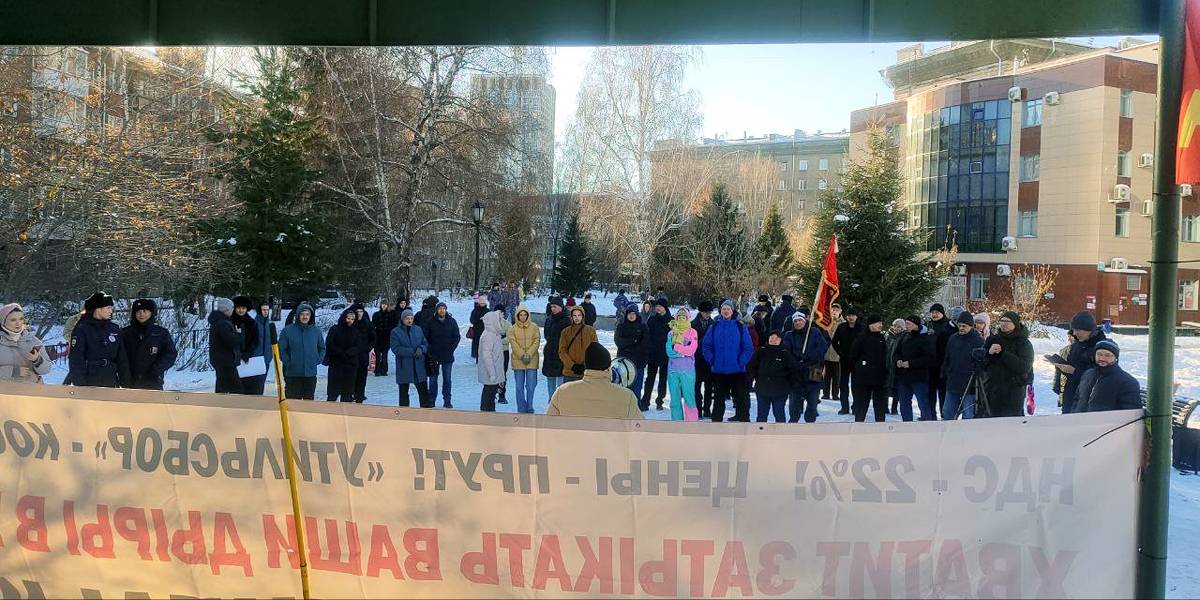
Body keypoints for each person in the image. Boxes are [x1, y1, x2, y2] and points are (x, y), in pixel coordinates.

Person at [547, 343, 644, 420]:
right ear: (608, 369)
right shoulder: (627, 396)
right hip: (612, 445)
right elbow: (640, 430)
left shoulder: (562, 391)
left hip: (571, 444)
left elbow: (548, 426)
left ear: (586, 366)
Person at [701, 300, 755, 422]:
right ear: (720, 310)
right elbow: (706, 346)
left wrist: (741, 362)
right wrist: (712, 360)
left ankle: (744, 423)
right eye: (723, 309)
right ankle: (716, 423)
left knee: (741, 399)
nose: (726, 311)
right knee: (719, 400)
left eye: (728, 309)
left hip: (737, 370)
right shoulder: (714, 326)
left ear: (732, 311)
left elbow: (748, 348)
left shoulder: (740, 327)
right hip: (719, 370)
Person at [977, 311, 1034, 418]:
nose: (1003, 324)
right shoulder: (993, 339)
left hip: (1013, 393)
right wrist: (988, 354)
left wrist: (1003, 354)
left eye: (1007, 321)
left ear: (1015, 324)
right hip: (992, 391)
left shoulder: (1024, 343)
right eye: (1002, 321)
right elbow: (982, 364)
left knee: (1010, 427)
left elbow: (1025, 367)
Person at [1056, 311, 1108, 414]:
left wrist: (1074, 371)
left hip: (1088, 401)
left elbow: (1100, 376)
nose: (1074, 333)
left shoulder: (1101, 348)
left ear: (1088, 330)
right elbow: (1072, 367)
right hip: (1070, 396)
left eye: (1078, 330)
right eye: (1073, 330)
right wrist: (1062, 367)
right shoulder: (1077, 344)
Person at [782, 311, 829, 423]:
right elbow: (786, 351)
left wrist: (808, 357)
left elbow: (822, 347)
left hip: (814, 369)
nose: (798, 323)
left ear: (805, 321)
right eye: (796, 321)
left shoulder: (815, 332)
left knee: (813, 402)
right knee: (794, 402)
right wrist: (796, 362)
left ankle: (810, 422)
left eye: (800, 320)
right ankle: (794, 421)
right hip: (796, 371)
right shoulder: (789, 335)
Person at [120, 299, 177, 390]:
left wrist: (157, 369)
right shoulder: (125, 333)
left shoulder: (161, 333)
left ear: (151, 313)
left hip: (153, 381)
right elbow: (120, 356)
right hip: (131, 382)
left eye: (145, 311)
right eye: (138, 311)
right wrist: (124, 376)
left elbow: (170, 354)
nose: (141, 314)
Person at [1074, 340, 1141, 412]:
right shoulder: (1088, 374)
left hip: (1106, 423)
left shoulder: (1127, 382)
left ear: (1116, 358)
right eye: (1099, 354)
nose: (1102, 358)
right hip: (1080, 421)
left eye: (1107, 355)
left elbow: (1129, 413)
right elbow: (1077, 399)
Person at [941, 310, 984, 419]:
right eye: (959, 325)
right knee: (947, 412)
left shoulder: (978, 340)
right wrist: (945, 372)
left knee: (968, 414)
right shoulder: (953, 338)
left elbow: (982, 362)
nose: (961, 328)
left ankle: (966, 435)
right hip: (953, 381)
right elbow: (947, 357)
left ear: (971, 326)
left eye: (964, 326)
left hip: (970, 384)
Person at [748, 330, 797, 423]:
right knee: (762, 415)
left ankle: (780, 434)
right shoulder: (761, 351)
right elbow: (752, 366)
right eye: (772, 338)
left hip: (780, 390)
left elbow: (793, 370)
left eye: (776, 338)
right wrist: (756, 378)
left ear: (780, 340)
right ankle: (760, 434)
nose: (774, 340)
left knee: (779, 414)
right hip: (762, 388)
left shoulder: (785, 353)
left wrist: (788, 384)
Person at [848, 315, 889, 422]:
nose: (881, 325)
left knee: (880, 406)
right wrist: (860, 368)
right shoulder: (861, 337)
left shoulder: (881, 338)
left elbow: (885, 356)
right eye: (878, 323)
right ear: (871, 325)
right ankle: (858, 425)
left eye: (881, 323)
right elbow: (853, 355)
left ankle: (880, 426)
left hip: (879, 378)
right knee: (862, 405)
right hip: (863, 378)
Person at [894, 315, 936, 421]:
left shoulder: (925, 338)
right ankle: (907, 424)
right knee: (904, 403)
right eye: (906, 323)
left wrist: (911, 363)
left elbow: (929, 358)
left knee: (923, 403)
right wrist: (898, 360)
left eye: (908, 324)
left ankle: (927, 423)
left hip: (919, 377)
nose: (906, 326)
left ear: (916, 325)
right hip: (904, 377)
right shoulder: (904, 336)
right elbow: (897, 351)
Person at [278, 303, 324, 400]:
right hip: (293, 374)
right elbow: (281, 349)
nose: (305, 317)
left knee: (308, 404)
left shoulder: (316, 331)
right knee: (293, 403)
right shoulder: (287, 331)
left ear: (310, 316)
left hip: (310, 374)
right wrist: (288, 362)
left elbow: (322, 348)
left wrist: (317, 360)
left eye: (307, 314)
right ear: (298, 315)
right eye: (302, 314)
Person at [0, 303, 51, 384]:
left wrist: (37, 360)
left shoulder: (33, 340)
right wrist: (13, 371)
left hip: (33, 391)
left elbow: (46, 369)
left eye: (21, 319)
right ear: (3, 321)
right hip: (6, 392)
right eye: (13, 320)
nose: (18, 323)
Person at [391, 308, 432, 407]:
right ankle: (405, 414)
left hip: (419, 365)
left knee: (423, 392)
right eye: (407, 318)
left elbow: (425, 343)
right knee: (404, 393)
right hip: (404, 365)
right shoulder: (395, 332)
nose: (409, 320)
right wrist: (413, 351)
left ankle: (425, 412)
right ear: (402, 319)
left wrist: (421, 349)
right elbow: (395, 348)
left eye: (411, 318)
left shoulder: (418, 329)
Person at [665, 308, 699, 421]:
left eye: (684, 316)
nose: (681, 318)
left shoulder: (692, 332)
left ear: (688, 317)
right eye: (679, 316)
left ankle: (691, 423)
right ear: (676, 317)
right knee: (674, 399)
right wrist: (683, 353)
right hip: (673, 370)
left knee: (689, 398)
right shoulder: (671, 332)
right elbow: (669, 351)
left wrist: (677, 348)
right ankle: (677, 422)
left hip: (687, 371)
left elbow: (691, 350)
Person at [425, 302, 461, 408]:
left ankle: (447, 400)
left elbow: (456, 337)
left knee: (447, 379)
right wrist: (430, 350)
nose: (442, 310)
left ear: (446, 310)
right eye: (440, 308)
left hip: (447, 355)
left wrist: (451, 349)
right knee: (433, 379)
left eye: (443, 308)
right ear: (436, 310)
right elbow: (425, 337)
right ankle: (431, 400)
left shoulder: (452, 321)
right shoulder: (430, 322)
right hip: (433, 355)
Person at [206, 297, 243, 394]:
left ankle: (221, 405)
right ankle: (231, 407)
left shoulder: (219, 321)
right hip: (226, 361)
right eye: (232, 308)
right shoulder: (223, 323)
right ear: (226, 309)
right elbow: (231, 341)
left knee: (222, 387)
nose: (233, 310)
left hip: (221, 360)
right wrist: (239, 334)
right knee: (235, 389)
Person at [324, 309, 361, 402]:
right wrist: (340, 352)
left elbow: (359, 346)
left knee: (347, 394)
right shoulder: (335, 329)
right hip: (336, 364)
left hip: (350, 365)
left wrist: (350, 352)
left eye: (352, 319)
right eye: (348, 318)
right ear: (343, 317)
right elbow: (329, 344)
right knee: (333, 394)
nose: (350, 321)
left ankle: (346, 414)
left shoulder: (356, 331)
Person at [509, 305, 541, 414]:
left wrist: (529, 354)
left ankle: (530, 406)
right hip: (518, 360)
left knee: (531, 385)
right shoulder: (512, 329)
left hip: (532, 360)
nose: (523, 317)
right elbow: (513, 344)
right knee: (519, 386)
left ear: (528, 315)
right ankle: (521, 408)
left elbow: (537, 341)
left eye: (525, 315)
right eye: (520, 315)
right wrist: (522, 355)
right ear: (517, 316)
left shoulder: (534, 327)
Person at [832, 306, 863, 415]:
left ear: (856, 317)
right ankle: (844, 407)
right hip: (844, 359)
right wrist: (840, 352)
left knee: (856, 385)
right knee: (843, 384)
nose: (851, 317)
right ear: (846, 316)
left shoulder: (861, 328)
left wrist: (861, 356)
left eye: (853, 315)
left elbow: (865, 343)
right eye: (849, 315)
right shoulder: (841, 327)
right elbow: (834, 341)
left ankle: (856, 407)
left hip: (857, 361)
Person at [926, 303, 955, 420]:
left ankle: (944, 415)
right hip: (930, 365)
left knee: (943, 392)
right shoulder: (927, 325)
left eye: (936, 312)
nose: (934, 315)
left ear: (942, 313)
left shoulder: (949, 326)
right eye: (932, 312)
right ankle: (930, 415)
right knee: (930, 392)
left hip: (943, 364)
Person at [614, 304, 649, 400]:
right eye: (629, 313)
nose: (631, 316)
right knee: (623, 389)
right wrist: (633, 341)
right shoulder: (621, 326)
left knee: (636, 391)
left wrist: (627, 347)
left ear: (637, 314)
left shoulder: (643, 327)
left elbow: (644, 344)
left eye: (633, 313)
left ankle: (636, 411)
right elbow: (618, 342)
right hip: (623, 364)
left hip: (638, 363)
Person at [231, 296, 264, 395]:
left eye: (243, 308)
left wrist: (248, 352)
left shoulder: (251, 322)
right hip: (233, 358)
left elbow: (255, 340)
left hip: (248, 358)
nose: (241, 310)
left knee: (248, 385)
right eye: (239, 308)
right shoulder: (230, 321)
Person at [643, 299, 672, 410]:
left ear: (665, 307)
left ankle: (660, 400)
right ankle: (645, 401)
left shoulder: (671, 321)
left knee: (663, 379)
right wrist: (648, 350)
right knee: (650, 379)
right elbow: (647, 336)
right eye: (656, 306)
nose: (657, 308)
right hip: (653, 354)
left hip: (666, 355)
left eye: (660, 306)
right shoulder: (652, 320)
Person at [477, 310, 506, 411]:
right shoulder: (488, 336)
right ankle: (486, 415)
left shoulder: (494, 334)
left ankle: (490, 413)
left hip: (493, 374)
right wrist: (492, 374)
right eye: (499, 320)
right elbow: (487, 357)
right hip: (490, 374)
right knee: (488, 395)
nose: (501, 322)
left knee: (491, 395)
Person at [559, 306, 598, 382]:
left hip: (586, 373)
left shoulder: (591, 331)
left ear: (583, 316)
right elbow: (562, 351)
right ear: (571, 317)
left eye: (579, 315)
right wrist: (572, 366)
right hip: (570, 372)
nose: (577, 318)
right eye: (574, 315)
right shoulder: (565, 332)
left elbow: (595, 350)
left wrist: (586, 365)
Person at [691, 301, 716, 418]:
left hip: (709, 359)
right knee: (696, 386)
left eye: (709, 312)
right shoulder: (692, 324)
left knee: (708, 387)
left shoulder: (714, 324)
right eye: (705, 312)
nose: (707, 314)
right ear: (700, 312)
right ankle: (698, 409)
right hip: (695, 359)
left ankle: (707, 409)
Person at [542, 297, 569, 398]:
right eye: (551, 306)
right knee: (550, 380)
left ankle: (560, 404)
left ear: (561, 307)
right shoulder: (549, 319)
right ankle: (551, 402)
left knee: (561, 382)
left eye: (555, 306)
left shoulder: (567, 320)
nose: (552, 308)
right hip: (550, 353)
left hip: (561, 354)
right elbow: (546, 335)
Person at [349, 303, 375, 402]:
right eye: (357, 312)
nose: (359, 314)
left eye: (361, 312)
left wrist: (367, 348)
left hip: (363, 355)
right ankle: (351, 393)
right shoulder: (349, 323)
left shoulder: (367, 323)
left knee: (362, 377)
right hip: (351, 356)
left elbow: (373, 338)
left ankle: (360, 394)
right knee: (352, 377)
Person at [821, 303, 844, 401]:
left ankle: (835, 394)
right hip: (826, 353)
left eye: (836, 310)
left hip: (837, 354)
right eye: (833, 310)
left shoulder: (843, 323)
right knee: (826, 376)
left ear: (840, 311)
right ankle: (825, 393)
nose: (834, 312)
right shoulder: (826, 322)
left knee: (837, 376)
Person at [885, 318, 907, 415]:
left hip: (897, 367)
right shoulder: (887, 336)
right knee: (885, 387)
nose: (896, 328)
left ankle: (894, 408)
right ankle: (885, 407)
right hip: (887, 365)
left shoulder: (904, 337)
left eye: (899, 327)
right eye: (895, 326)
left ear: (903, 328)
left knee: (896, 388)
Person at [372, 301, 398, 376]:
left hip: (386, 337)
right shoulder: (376, 314)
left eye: (385, 305)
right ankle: (377, 370)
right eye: (383, 304)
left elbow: (394, 324)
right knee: (377, 355)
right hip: (377, 337)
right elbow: (373, 325)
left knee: (384, 354)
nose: (384, 306)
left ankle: (384, 370)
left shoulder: (391, 315)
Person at [254, 302, 274, 382]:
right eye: (263, 310)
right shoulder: (254, 324)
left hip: (267, 358)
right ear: (259, 311)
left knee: (262, 383)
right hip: (256, 359)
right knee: (256, 384)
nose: (266, 312)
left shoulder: (269, 324)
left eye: (267, 310)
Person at [469, 292, 488, 361]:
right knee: (477, 345)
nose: (482, 304)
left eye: (483, 303)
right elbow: (471, 320)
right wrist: (479, 319)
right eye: (481, 303)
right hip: (477, 331)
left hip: (486, 331)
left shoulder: (488, 311)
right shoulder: (475, 310)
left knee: (485, 346)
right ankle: (477, 358)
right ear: (479, 303)